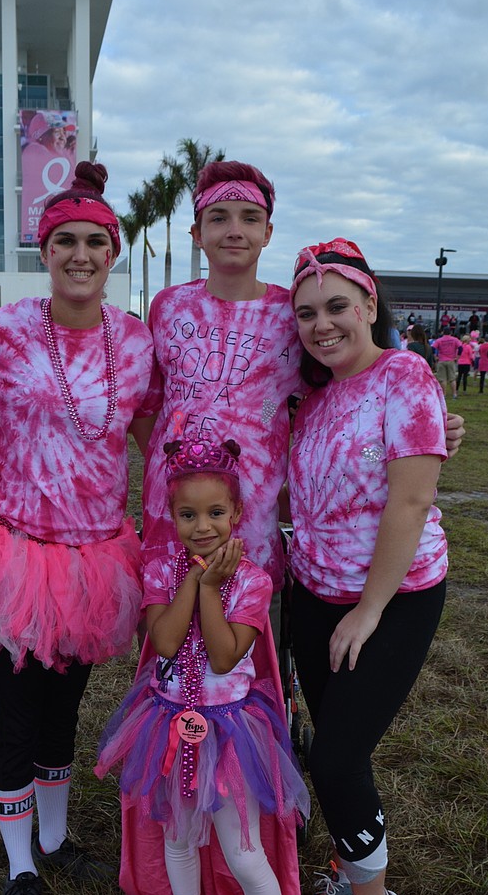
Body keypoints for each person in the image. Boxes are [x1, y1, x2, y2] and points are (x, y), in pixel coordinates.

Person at [0, 162, 159, 895]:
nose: (80, 254)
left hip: (95, 558)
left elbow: (152, 430)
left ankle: (53, 837)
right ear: (44, 251)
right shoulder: (5, 331)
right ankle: (20, 870)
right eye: (65, 241)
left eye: (95, 242)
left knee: (64, 710)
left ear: (113, 253)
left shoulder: (134, 340)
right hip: (18, 552)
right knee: (15, 716)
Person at [140, 160, 465, 609]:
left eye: (249, 218)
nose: (234, 230)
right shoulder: (168, 306)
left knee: (247, 635)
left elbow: (342, 393)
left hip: (251, 517)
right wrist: (171, 464)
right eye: (218, 218)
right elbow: (149, 406)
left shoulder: (291, 314)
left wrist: (422, 431)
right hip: (172, 509)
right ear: (197, 233)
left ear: (268, 233)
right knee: (166, 634)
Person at [96, 438, 341, 895]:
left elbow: (227, 655)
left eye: (214, 513)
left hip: (230, 734)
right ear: (171, 515)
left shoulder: (252, 581)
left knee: (244, 850)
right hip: (165, 726)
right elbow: (163, 642)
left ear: (236, 514)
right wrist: (195, 581)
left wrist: (212, 588)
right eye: (187, 515)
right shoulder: (160, 571)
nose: (201, 526)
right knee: (178, 839)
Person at [288, 239, 448, 895]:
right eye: (306, 314)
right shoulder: (314, 398)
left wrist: (370, 608)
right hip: (312, 595)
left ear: (368, 305)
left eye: (336, 307)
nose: (322, 325)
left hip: (393, 597)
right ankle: (345, 869)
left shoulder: (405, 375)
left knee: (336, 757)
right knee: (335, 749)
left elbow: (411, 500)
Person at [431, 325, 459, 400]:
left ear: (443, 332)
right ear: (450, 332)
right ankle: (454, 394)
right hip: (451, 360)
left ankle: (444, 395)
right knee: (452, 378)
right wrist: (457, 357)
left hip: (441, 360)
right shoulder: (455, 340)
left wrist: (435, 356)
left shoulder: (439, 340)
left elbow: (433, 348)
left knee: (442, 379)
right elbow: (460, 348)